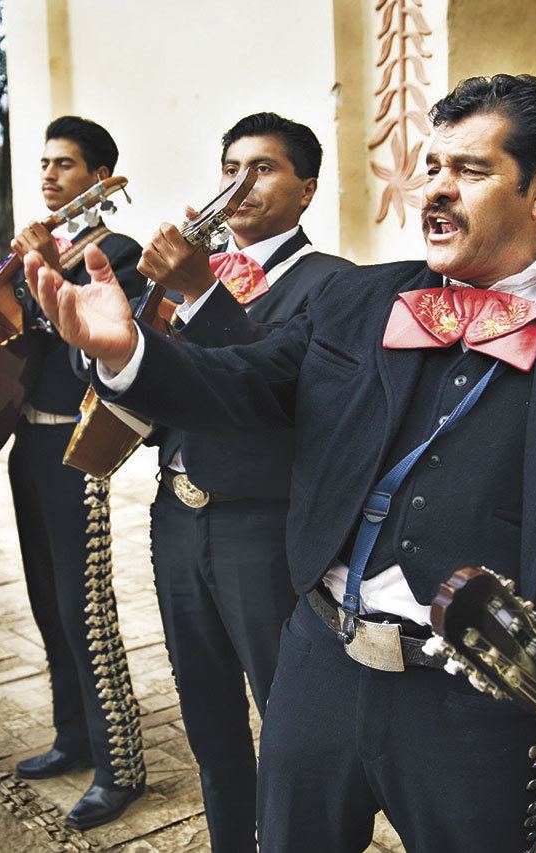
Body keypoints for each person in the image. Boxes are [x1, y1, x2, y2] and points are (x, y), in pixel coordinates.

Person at [25, 74, 536, 851]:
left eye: (471, 171)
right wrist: (130, 353)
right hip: (319, 658)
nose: (437, 191)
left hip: (482, 697)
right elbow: (248, 382)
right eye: (432, 167)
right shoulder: (360, 300)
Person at [134, 112, 350, 851]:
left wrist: (200, 295)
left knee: (285, 714)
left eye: (262, 168)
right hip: (178, 518)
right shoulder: (201, 271)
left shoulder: (334, 285)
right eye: (230, 167)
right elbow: (140, 378)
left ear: (308, 189)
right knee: (207, 713)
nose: (239, 183)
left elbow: (279, 392)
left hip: (261, 526)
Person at [4, 115, 148, 829]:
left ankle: (119, 762)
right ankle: (72, 733)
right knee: (43, 598)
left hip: (73, 450)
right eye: (44, 163)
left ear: (100, 179)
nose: (49, 175)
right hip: (25, 446)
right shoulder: (46, 250)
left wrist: (46, 270)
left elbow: (84, 354)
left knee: (83, 608)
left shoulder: (116, 252)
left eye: (65, 164)